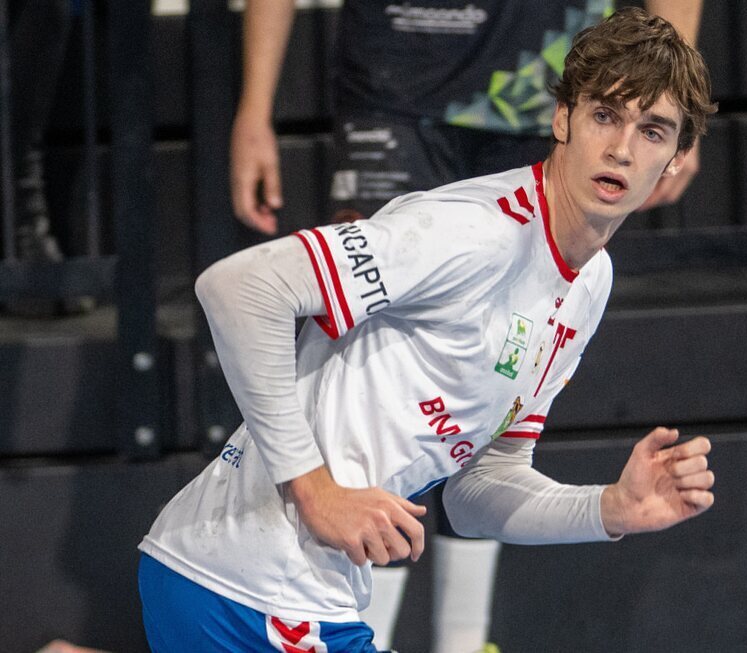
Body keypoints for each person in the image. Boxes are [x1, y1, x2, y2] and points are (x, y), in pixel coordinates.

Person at [140, 8, 717, 652]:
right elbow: (239, 288)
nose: (621, 148)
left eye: (653, 131)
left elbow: (475, 492)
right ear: (561, 120)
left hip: (268, 589)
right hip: (249, 587)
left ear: (676, 160)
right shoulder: (472, 231)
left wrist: (608, 509)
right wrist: (315, 488)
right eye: (604, 115)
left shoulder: (590, 282)